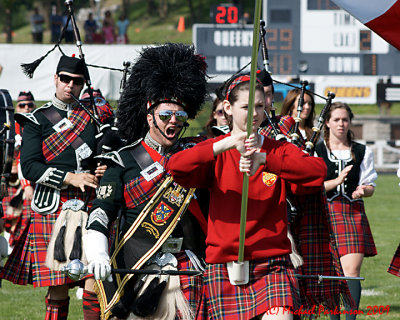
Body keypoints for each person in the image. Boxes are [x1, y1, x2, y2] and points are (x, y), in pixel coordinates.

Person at [167, 74, 327, 320]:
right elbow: (176, 167)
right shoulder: (216, 149)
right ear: (228, 108)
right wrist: (225, 144)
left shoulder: (278, 149)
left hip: (273, 263)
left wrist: (267, 160)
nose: (254, 113)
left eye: (260, 106)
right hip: (225, 265)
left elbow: (317, 172)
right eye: (246, 106)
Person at [82, 43, 209, 320]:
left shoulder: (196, 157)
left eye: (180, 115)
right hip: (137, 265)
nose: (172, 121)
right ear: (149, 115)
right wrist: (99, 254)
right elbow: (102, 213)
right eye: (165, 115)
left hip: (189, 265)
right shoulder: (122, 160)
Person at [13, 55, 113, 320]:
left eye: (77, 81)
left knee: (94, 279)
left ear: (83, 85)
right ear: (55, 79)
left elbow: (106, 154)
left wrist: (104, 167)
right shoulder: (37, 120)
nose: (70, 85)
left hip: (92, 205)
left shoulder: (95, 118)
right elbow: (31, 167)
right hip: (53, 206)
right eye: (65, 79)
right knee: (58, 287)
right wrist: (70, 178)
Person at [315, 102, 378, 320]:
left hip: (352, 213)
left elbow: (370, 186)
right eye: (336, 120)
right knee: (332, 273)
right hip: (324, 213)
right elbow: (313, 187)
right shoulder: (317, 150)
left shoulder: (361, 151)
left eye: (345, 119)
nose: (341, 124)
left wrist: (363, 190)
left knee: (351, 272)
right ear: (327, 123)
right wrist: (336, 181)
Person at [0, 92, 35, 257]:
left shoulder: (36, 125)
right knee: (7, 216)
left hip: (28, 179)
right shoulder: (9, 126)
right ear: (16, 108)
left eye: (30, 104)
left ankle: (14, 246)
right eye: (22, 105)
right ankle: (7, 243)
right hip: (9, 180)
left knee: (25, 217)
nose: (26, 108)